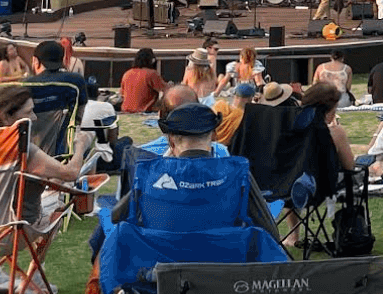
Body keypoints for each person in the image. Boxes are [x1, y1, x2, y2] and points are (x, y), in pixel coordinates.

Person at [0, 83, 87, 294]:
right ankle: (34, 277)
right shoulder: (23, 150)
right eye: (28, 112)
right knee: (58, 203)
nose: (34, 117)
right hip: (11, 234)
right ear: (5, 117)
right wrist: (80, 145)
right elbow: (70, 173)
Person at [108, 102, 280, 244]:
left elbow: (116, 216)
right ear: (214, 135)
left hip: (160, 271)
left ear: (171, 140)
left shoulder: (149, 175)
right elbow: (270, 231)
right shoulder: (237, 174)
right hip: (223, 270)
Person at [299, 82, 357, 171]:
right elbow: (349, 166)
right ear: (330, 110)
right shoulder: (334, 133)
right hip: (322, 182)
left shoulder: (287, 128)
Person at [119, 48, 166, 114]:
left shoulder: (127, 73)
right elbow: (166, 90)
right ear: (152, 61)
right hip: (144, 112)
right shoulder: (152, 74)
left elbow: (122, 94)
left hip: (125, 111)